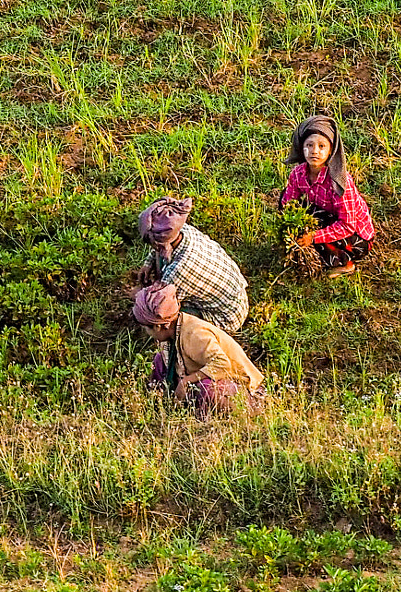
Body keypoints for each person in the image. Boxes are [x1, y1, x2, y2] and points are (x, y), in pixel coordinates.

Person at [132, 283, 264, 411]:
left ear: (159, 326)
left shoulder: (195, 333)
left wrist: (186, 382)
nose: (147, 333)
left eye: (146, 329)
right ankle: (159, 406)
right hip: (213, 381)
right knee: (160, 361)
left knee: (206, 389)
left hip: (245, 391)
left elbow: (222, 364)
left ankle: (205, 423)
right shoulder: (171, 335)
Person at [278, 113, 374, 274]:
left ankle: (344, 264)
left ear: (331, 151)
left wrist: (313, 236)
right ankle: (311, 249)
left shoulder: (340, 182)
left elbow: (347, 225)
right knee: (285, 198)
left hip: (354, 236)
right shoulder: (298, 174)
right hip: (326, 216)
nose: (314, 151)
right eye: (309, 145)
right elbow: (288, 204)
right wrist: (290, 229)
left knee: (320, 232)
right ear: (302, 148)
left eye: (322, 146)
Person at [137, 196, 249, 332]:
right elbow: (160, 247)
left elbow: (158, 306)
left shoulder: (179, 270)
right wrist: (148, 264)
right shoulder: (183, 230)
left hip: (226, 318)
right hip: (235, 298)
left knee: (162, 314)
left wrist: (137, 295)